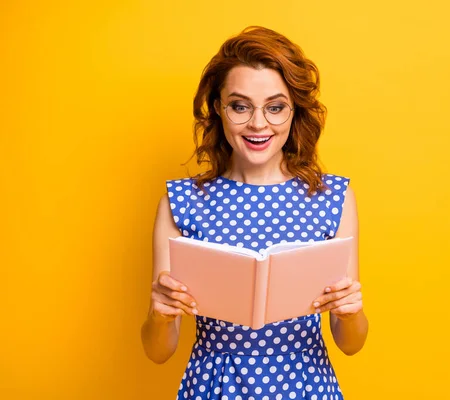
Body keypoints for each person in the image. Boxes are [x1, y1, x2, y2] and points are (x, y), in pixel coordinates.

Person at [141, 26, 368, 400]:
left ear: (294, 111)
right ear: (219, 108)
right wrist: (160, 316)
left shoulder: (333, 198)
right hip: (214, 387)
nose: (258, 123)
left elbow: (351, 343)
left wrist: (349, 313)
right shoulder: (180, 203)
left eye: (275, 107)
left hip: (306, 387)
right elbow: (157, 350)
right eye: (240, 105)